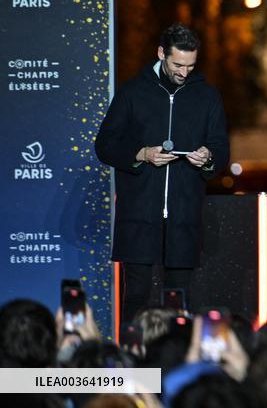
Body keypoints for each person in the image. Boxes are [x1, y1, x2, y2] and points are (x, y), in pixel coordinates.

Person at [95, 23, 229, 329]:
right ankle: (132, 366)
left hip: (183, 216)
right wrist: (142, 154)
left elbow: (222, 150)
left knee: (178, 301)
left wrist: (208, 157)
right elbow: (105, 145)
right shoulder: (132, 92)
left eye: (191, 65)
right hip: (139, 214)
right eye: (177, 64)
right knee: (137, 298)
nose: (184, 72)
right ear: (161, 54)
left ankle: (175, 370)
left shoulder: (207, 96)